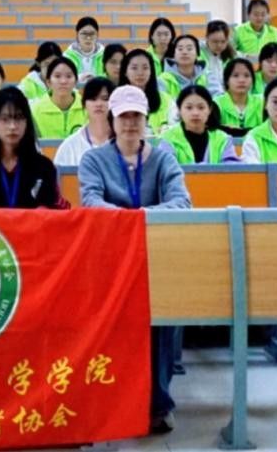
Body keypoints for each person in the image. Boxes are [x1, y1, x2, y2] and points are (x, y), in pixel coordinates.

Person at [77, 85, 190, 434]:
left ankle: (159, 402)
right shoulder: (93, 160)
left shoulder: (164, 157)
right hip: (110, 258)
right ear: (112, 119)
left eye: (136, 116)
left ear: (146, 119)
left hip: (155, 255)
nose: (130, 123)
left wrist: (139, 217)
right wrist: (130, 222)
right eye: (123, 116)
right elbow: (90, 201)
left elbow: (182, 202)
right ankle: (115, 401)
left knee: (162, 326)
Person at [0, 88, 69, 208]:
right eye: (5, 119)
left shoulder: (44, 167)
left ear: (27, 122)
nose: (12, 126)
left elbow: (58, 209)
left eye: (19, 118)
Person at [160, 86, 240, 164]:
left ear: (209, 109)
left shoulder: (222, 139)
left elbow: (231, 167)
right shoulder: (169, 138)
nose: (195, 113)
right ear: (179, 110)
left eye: (201, 108)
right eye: (189, 108)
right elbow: (166, 167)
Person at [54, 77, 114, 167]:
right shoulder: (69, 146)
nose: (98, 104)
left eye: (105, 99)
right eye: (93, 99)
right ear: (84, 104)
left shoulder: (125, 142)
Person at [119, 49, 176, 135]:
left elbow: (176, 128)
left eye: (145, 68)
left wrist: (167, 130)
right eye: (134, 68)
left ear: (151, 72)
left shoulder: (166, 100)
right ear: (125, 72)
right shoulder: (116, 99)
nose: (140, 73)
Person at [30, 58, 87, 139]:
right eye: (57, 76)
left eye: (69, 76)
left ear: (75, 82)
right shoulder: (35, 111)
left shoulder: (88, 108)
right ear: (48, 82)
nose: (63, 81)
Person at [158, 34, 216, 100]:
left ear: (197, 54)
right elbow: (162, 103)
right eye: (180, 49)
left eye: (189, 49)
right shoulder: (163, 80)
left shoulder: (208, 76)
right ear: (174, 54)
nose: (184, 52)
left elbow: (218, 98)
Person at [215, 58, 263, 136]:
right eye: (236, 76)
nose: (241, 80)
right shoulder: (217, 104)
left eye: (246, 76)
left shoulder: (261, 103)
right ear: (227, 80)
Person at [63, 16, 104, 83]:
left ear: (97, 35)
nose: (88, 38)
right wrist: (79, 78)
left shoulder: (105, 55)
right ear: (77, 35)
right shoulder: (67, 56)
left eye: (92, 34)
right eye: (84, 33)